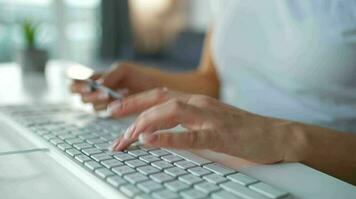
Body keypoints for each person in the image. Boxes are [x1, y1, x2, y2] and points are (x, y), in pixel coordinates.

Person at [71, 1, 356, 185]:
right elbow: (212, 79)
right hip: (221, 165)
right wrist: (146, 81)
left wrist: (281, 136)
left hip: (325, 179)